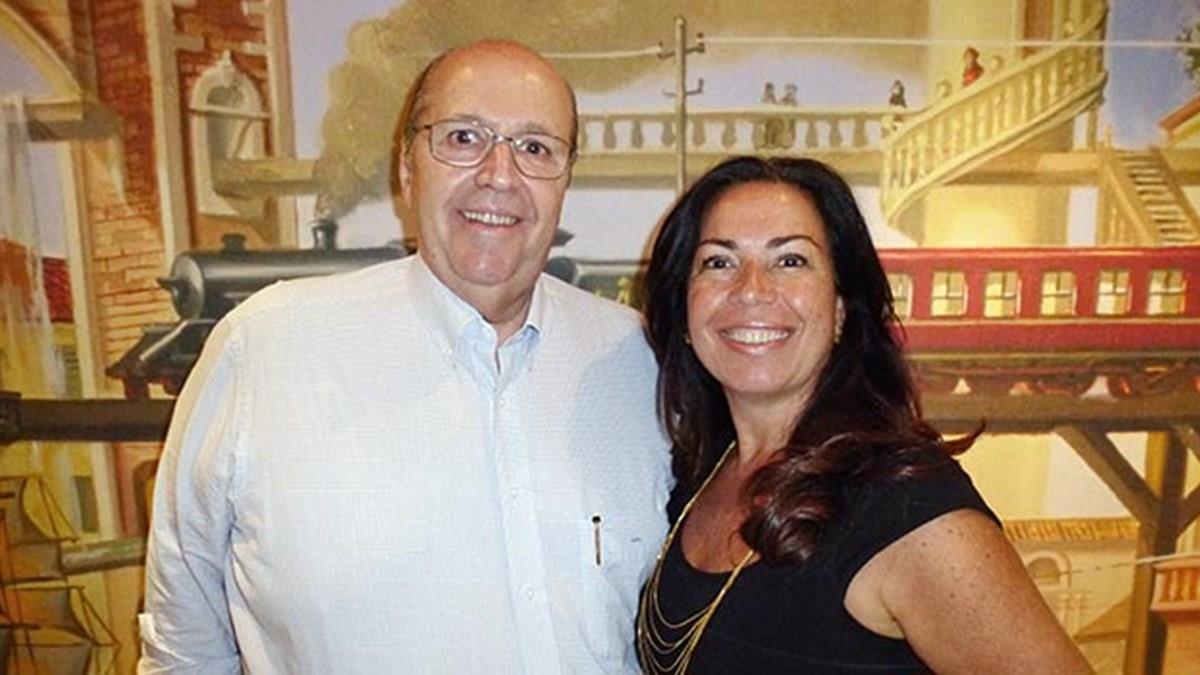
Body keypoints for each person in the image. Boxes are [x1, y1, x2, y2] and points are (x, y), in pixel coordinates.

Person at [138, 40, 671, 674]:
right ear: (407, 167)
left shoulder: (638, 363)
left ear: (565, 180)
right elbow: (185, 648)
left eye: (535, 148)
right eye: (463, 138)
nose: (500, 174)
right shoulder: (264, 349)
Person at [635, 156, 1091, 674]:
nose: (752, 289)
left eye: (791, 261)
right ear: (684, 309)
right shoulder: (701, 473)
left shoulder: (905, 506)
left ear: (841, 310)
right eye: (719, 262)